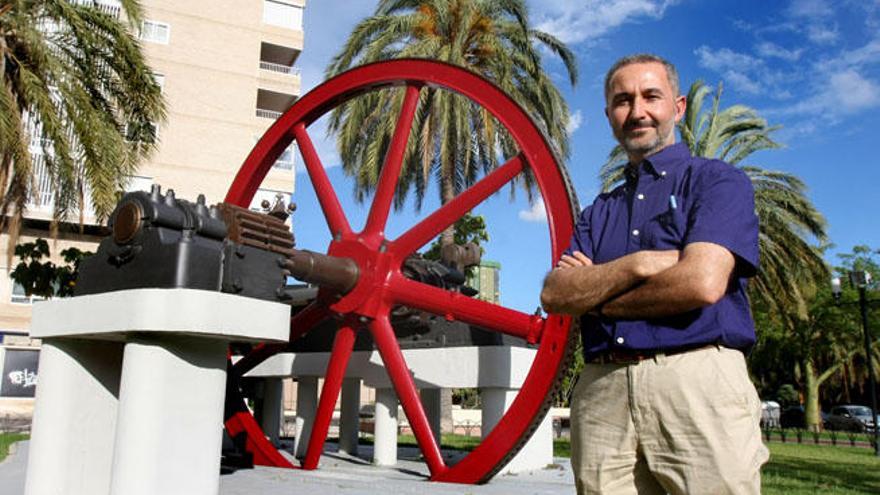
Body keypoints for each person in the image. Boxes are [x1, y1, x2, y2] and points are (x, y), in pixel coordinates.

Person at [541, 54, 768, 494]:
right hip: (603, 392)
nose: (637, 111)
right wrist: (640, 264)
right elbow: (555, 292)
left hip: (695, 383)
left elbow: (700, 283)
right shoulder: (597, 213)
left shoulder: (717, 183)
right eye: (622, 101)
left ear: (678, 107)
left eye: (651, 96)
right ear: (609, 115)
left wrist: (597, 298)